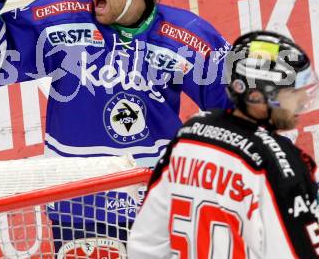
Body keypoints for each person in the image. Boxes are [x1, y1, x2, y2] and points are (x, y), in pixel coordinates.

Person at [0, 0, 232, 254]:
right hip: (76, 207)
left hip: (154, 205)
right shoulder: (61, 17)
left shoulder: (185, 36)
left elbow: (238, 110)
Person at [128, 30, 319, 259]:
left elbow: (145, 243)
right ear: (257, 96)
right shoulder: (282, 163)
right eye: (293, 91)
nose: (303, 100)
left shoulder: (189, 135)